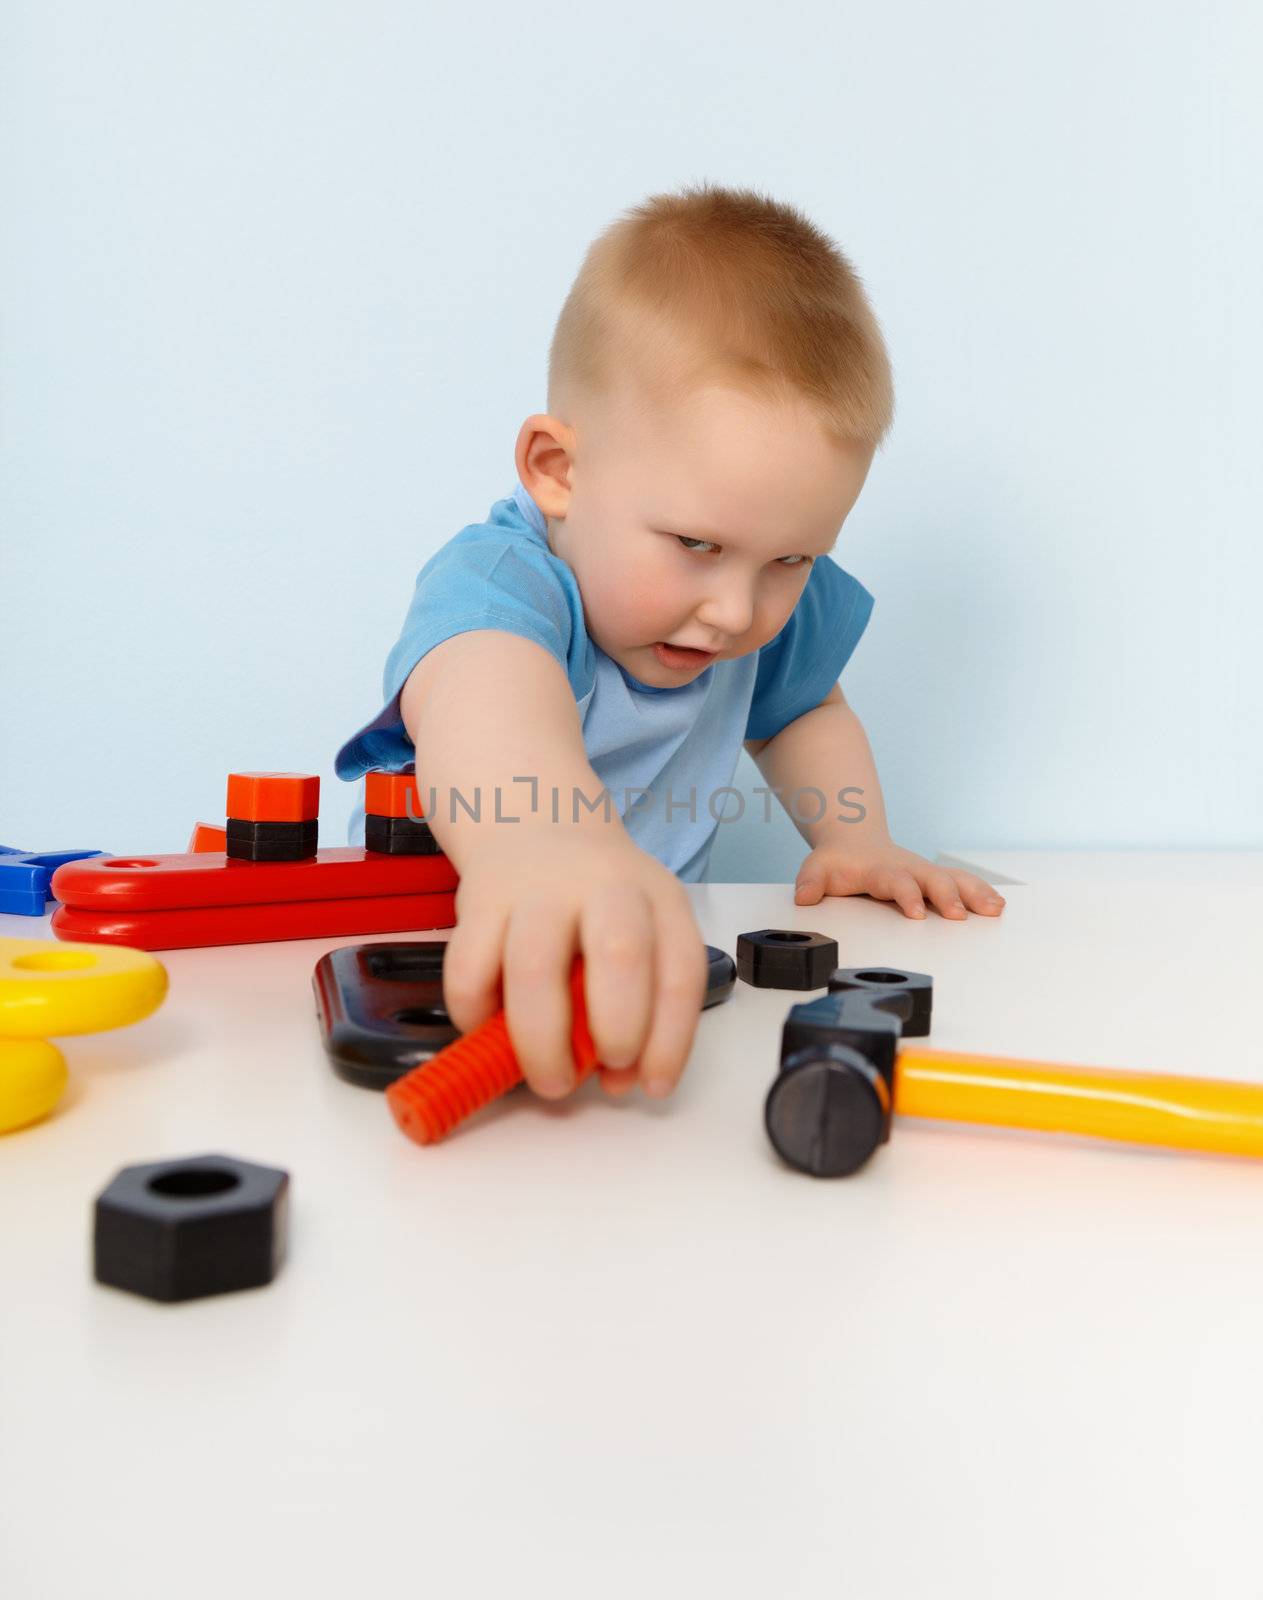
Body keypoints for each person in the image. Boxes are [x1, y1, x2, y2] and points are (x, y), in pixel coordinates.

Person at [334, 182, 1004, 1106]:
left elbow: (803, 704)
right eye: (696, 546)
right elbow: (480, 695)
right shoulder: (504, 582)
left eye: (793, 558)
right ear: (557, 471)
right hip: (467, 966)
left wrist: (856, 838)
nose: (736, 610)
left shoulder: (753, 594)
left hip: (657, 972)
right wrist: (549, 842)